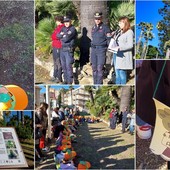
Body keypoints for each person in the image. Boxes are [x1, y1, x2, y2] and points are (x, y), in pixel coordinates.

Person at [111, 16, 133, 84]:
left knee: (122, 74)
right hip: (116, 54)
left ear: (125, 23)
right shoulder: (119, 32)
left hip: (123, 56)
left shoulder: (129, 32)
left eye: (120, 23)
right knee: (117, 74)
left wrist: (120, 48)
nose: (119, 24)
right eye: (119, 23)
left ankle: (123, 85)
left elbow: (130, 45)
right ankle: (118, 84)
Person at [91, 12, 111, 84]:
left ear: (101, 19)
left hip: (101, 50)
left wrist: (108, 48)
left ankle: (99, 83)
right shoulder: (93, 28)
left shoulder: (105, 27)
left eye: (99, 19)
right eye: (96, 19)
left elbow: (109, 39)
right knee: (94, 68)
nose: (97, 20)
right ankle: (95, 83)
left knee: (100, 68)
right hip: (93, 50)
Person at [57, 15, 77, 84]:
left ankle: (70, 81)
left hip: (68, 50)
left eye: (67, 21)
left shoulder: (72, 29)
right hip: (62, 50)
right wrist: (62, 35)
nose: (66, 23)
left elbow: (66, 39)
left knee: (68, 66)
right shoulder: (63, 28)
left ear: (70, 21)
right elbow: (57, 36)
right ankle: (65, 80)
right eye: (65, 22)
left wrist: (62, 35)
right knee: (64, 66)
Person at [51, 16, 64, 83]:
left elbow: (58, 36)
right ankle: (54, 75)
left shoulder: (62, 28)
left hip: (59, 46)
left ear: (59, 21)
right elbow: (52, 36)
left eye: (56, 21)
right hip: (54, 45)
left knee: (58, 62)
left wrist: (55, 36)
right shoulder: (57, 28)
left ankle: (59, 77)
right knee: (55, 61)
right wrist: (55, 36)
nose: (56, 22)